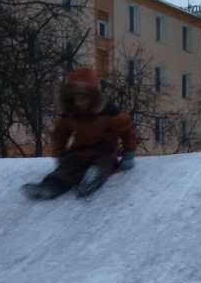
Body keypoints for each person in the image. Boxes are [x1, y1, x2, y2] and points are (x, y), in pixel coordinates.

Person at [23, 66, 139, 200]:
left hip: (104, 150)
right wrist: (60, 154)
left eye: (85, 98)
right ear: (71, 98)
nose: (80, 102)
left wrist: (128, 153)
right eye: (77, 98)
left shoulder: (108, 111)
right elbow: (60, 134)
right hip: (79, 151)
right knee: (67, 166)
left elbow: (127, 128)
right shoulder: (70, 114)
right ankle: (51, 186)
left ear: (93, 97)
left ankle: (92, 178)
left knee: (103, 164)